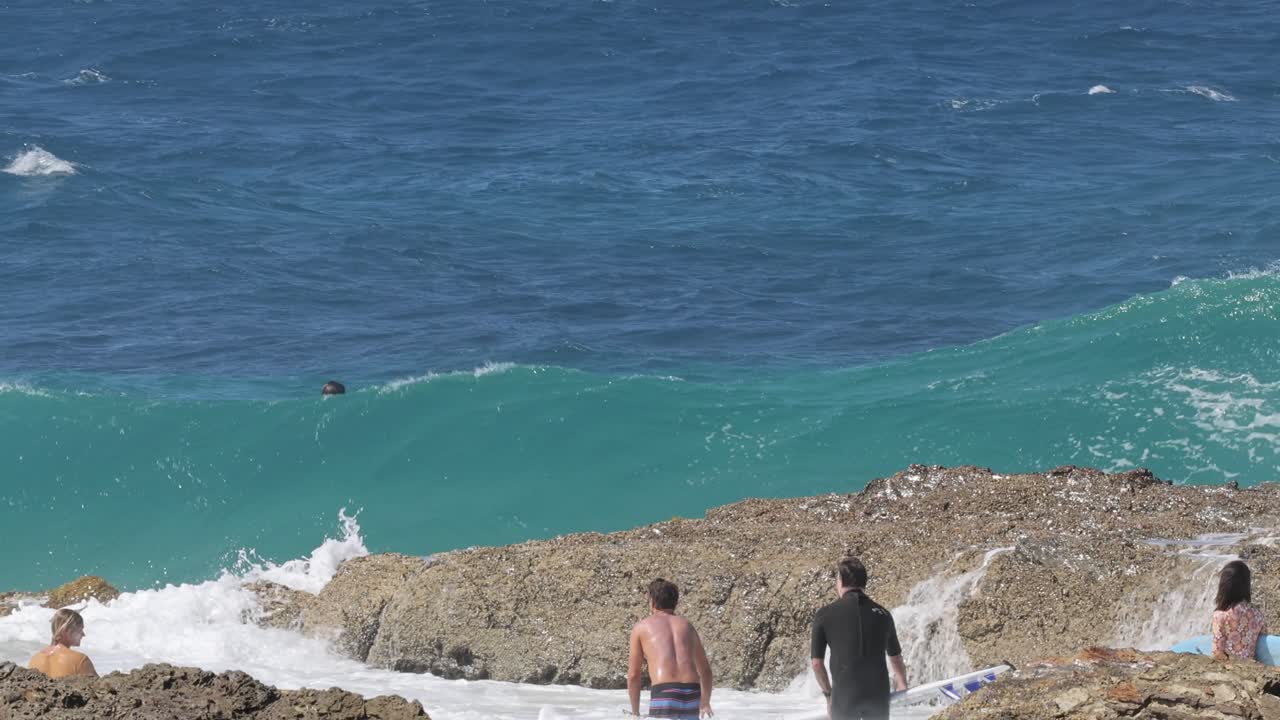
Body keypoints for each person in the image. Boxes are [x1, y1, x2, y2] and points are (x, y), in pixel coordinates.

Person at [810, 557, 907, 720]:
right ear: (864, 583)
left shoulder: (824, 614)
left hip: (844, 697)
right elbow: (896, 658)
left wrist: (829, 696)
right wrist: (902, 683)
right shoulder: (883, 614)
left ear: (840, 581)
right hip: (878, 696)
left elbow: (816, 664)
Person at [627, 578, 714, 719]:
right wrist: (705, 703)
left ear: (652, 602)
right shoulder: (687, 626)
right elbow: (706, 671)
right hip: (691, 693)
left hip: (665, 693)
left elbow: (633, 675)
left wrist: (635, 713)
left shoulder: (641, 627)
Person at [1212, 559, 1266, 660]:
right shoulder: (1258, 615)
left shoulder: (1220, 616)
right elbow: (1262, 644)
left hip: (1230, 666)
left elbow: (1217, 653)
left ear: (1224, 587)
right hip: (1251, 665)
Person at [29, 608, 98, 679]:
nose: (83, 634)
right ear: (67, 631)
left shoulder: (35, 659)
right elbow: (99, 685)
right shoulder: (80, 660)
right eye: (80, 629)